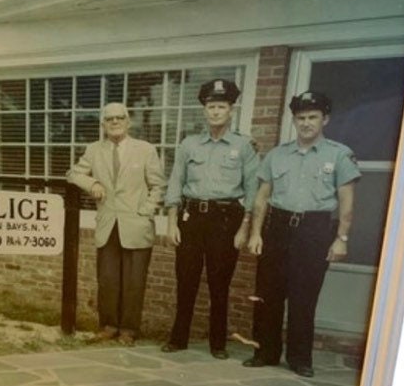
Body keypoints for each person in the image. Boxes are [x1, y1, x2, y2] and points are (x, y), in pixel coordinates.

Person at [244, 90, 360, 378]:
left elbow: (347, 203)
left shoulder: (339, 154)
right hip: (278, 227)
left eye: (313, 117)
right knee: (268, 294)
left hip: (315, 229)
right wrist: (257, 233)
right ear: (293, 121)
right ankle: (265, 352)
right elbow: (261, 198)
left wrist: (341, 238)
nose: (306, 123)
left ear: (325, 119)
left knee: (304, 296)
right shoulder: (277, 155)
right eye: (301, 118)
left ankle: (299, 358)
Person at [161, 78, 260, 359]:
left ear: (231, 111)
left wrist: (244, 228)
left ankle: (218, 343)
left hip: (226, 220)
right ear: (204, 110)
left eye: (222, 107)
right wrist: (171, 222)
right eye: (211, 106)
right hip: (191, 219)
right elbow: (175, 183)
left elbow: (252, 190)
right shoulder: (189, 144)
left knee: (219, 284)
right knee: (186, 280)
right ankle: (178, 338)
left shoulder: (243, 146)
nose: (216, 112)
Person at [68, 102, 165, 346]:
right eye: (109, 119)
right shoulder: (93, 150)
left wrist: (146, 211)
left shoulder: (145, 150)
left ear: (128, 122)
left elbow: (159, 185)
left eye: (119, 118)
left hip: (136, 225)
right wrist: (92, 185)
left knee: (134, 282)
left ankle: (129, 330)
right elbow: (73, 173)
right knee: (108, 280)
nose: (114, 122)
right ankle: (108, 326)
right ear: (102, 124)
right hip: (108, 224)